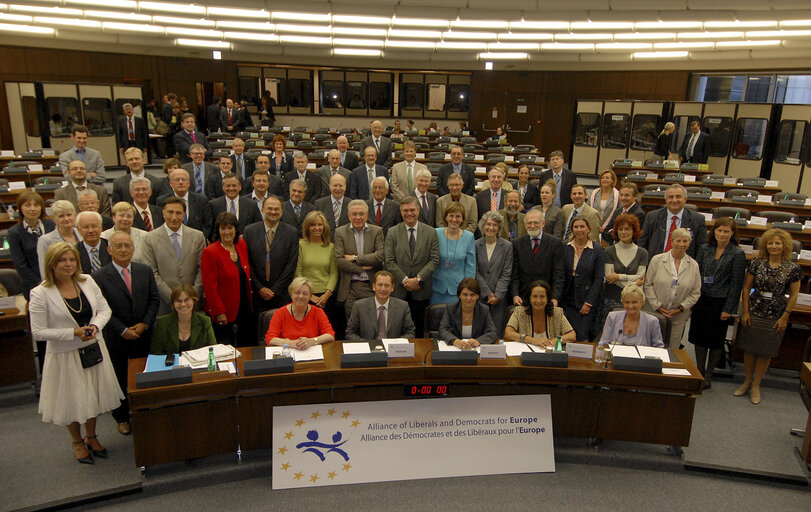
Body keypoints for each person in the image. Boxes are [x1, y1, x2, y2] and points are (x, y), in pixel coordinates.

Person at [29, 242, 123, 464]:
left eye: (71, 259)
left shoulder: (87, 281)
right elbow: (37, 332)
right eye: (62, 260)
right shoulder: (40, 293)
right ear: (52, 264)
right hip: (65, 355)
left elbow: (104, 309)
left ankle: (91, 436)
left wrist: (95, 327)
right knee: (72, 401)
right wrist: (73, 332)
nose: (68, 264)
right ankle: (77, 442)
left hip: (93, 348)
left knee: (92, 396)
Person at [92, 231, 159, 436]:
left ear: (133, 248)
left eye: (127, 246)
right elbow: (100, 309)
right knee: (120, 378)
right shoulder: (98, 277)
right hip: (117, 337)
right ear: (109, 250)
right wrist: (122, 330)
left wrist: (144, 324)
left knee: (145, 376)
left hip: (143, 335)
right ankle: (122, 417)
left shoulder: (145, 271)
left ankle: (145, 412)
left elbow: (154, 300)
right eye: (118, 246)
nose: (123, 250)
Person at [736, 228, 801, 405]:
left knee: (766, 351)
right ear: (766, 245)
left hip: (776, 315)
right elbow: (747, 288)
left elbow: (794, 294)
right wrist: (746, 311)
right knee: (749, 348)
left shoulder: (792, 268)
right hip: (755, 311)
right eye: (771, 243)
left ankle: (756, 385)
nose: (774, 246)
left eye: (778, 243)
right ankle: (747, 381)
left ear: (784, 246)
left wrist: (785, 316)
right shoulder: (757, 263)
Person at [688, 217, 747, 388]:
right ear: (714, 231)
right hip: (702, 298)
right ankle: (699, 370)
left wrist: (729, 308)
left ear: (732, 233)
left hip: (721, 303)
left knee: (715, 339)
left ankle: (708, 374)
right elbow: (696, 272)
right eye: (719, 230)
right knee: (699, 337)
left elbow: (736, 284)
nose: (722, 234)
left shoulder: (737, 254)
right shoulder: (705, 249)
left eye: (726, 231)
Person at [384, 196, 440, 337]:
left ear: (418, 210)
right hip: (398, 291)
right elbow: (389, 261)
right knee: (397, 329)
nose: (409, 213)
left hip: (421, 291)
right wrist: (405, 280)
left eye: (412, 210)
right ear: (401, 212)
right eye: (405, 210)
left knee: (419, 330)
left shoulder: (431, 232)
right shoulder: (392, 232)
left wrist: (418, 279)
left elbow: (434, 260)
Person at [142, 197, 206, 313]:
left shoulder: (198, 236)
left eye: (178, 213)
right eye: (170, 212)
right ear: (163, 213)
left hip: (193, 303)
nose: (174, 217)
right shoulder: (150, 238)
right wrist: (173, 297)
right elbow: (152, 272)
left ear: (184, 214)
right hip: (164, 304)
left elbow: (202, 268)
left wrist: (192, 295)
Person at [644, 227, 702, 349]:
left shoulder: (694, 265)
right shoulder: (657, 260)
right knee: (651, 345)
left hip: (678, 315)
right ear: (671, 241)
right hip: (654, 312)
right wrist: (658, 306)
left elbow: (695, 293)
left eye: (685, 241)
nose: (681, 244)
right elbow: (648, 285)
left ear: (689, 243)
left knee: (673, 349)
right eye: (678, 241)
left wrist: (680, 308)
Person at [201, 212, 254, 345]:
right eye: (223, 228)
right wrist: (219, 312)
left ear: (236, 229)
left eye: (230, 228)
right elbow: (210, 288)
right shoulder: (211, 252)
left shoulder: (241, 245)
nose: (227, 232)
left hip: (244, 308)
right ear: (218, 230)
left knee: (245, 346)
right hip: (225, 312)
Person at [243, 195, 299, 313]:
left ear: (282, 211)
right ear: (262, 210)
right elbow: (246, 262)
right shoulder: (249, 231)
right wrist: (260, 288)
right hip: (256, 293)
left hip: (281, 294)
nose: (273, 212)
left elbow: (291, 264)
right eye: (269, 208)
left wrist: (276, 289)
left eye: (276, 209)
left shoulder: (291, 233)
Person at [334, 199, 385, 318]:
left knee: (372, 323)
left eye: (361, 214)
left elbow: (380, 256)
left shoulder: (377, 231)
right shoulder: (340, 232)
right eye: (354, 214)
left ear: (367, 215)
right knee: (353, 325)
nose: (358, 217)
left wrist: (355, 258)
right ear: (348, 215)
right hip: (350, 288)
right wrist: (361, 268)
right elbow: (339, 261)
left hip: (371, 286)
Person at [295, 211, 340, 333]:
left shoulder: (331, 247)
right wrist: (310, 296)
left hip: (327, 298)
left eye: (319, 224)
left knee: (326, 332)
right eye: (313, 225)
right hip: (304, 296)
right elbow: (298, 272)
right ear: (307, 227)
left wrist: (326, 294)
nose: (316, 228)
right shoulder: (300, 245)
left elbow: (334, 273)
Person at [562, 216, 604, 341]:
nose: (579, 230)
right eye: (576, 227)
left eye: (582, 226)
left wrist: (589, 302)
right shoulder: (565, 246)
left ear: (589, 229)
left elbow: (598, 279)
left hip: (586, 300)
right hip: (567, 298)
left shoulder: (597, 249)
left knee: (581, 337)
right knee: (565, 335)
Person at [511, 208, 565, 306]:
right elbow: (514, 273)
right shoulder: (517, 244)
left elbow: (559, 274)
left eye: (536, 223)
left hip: (547, 298)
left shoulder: (555, 243)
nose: (532, 226)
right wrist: (515, 294)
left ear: (543, 223)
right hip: (523, 298)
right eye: (529, 223)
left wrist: (555, 297)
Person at [638, 183, 706, 259]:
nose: (674, 200)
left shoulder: (697, 219)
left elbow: (701, 249)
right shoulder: (652, 217)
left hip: (684, 265)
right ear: (666, 199)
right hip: (657, 264)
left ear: (685, 199)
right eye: (670, 197)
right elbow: (642, 244)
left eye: (678, 197)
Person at [601, 214, 648, 323]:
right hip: (611, 299)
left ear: (634, 231)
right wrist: (635, 284)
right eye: (620, 229)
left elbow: (640, 276)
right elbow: (609, 277)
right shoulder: (609, 251)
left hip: (633, 302)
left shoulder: (642, 253)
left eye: (627, 229)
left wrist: (619, 276)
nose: (623, 232)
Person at [345, 270, 416, 341]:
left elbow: (410, 332)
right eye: (380, 285)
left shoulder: (403, 306)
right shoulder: (359, 306)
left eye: (387, 285)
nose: (383, 289)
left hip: (392, 349)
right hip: (368, 349)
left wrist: (395, 343)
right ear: (373, 286)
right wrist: (367, 344)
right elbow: (350, 333)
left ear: (392, 288)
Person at [265, 277, 336, 348]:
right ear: (291, 294)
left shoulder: (318, 312)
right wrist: (291, 343)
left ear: (310, 296)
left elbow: (330, 335)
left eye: (305, 294)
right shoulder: (280, 313)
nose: (301, 296)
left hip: (311, 353)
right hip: (287, 353)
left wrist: (312, 341)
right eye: (297, 293)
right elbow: (270, 339)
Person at [9, 191, 55, 300]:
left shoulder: (51, 225)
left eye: (36, 205)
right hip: (33, 285)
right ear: (20, 208)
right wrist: (40, 282)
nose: (33, 209)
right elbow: (20, 265)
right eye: (27, 205)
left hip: (57, 280)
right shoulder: (14, 232)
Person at [504, 280, 575, 347]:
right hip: (526, 355)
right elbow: (508, 333)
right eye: (535, 296)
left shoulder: (557, 313)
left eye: (542, 297)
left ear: (547, 299)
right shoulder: (519, 312)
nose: (538, 300)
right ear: (529, 298)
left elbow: (572, 335)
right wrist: (533, 340)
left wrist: (554, 341)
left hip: (549, 356)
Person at [150, 284, 216, 355]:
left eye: (186, 300)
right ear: (173, 303)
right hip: (170, 365)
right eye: (178, 301)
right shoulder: (162, 322)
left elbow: (213, 350)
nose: (183, 304)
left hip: (198, 365)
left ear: (194, 301)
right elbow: (155, 353)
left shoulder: (205, 321)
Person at [475, 211, 513, 334]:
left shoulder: (507, 246)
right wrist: (487, 293)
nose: (491, 228)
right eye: (488, 224)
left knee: (497, 332)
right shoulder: (475, 244)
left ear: (499, 228)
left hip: (499, 299)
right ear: (482, 226)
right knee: (480, 331)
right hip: (480, 296)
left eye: (495, 225)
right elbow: (475, 271)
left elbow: (506, 273)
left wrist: (497, 294)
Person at [431, 203, 476, 305]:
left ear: (462, 219)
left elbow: (471, 266)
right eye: (451, 215)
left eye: (458, 216)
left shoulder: (469, 237)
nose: (454, 219)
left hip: (458, 290)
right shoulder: (436, 233)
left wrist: (468, 289)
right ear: (446, 217)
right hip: (437, 288)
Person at [438, 278, 498, 348]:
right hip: (455, 349)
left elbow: (493, 332)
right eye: (465, 295)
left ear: (477, 296)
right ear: (459, 295)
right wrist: (455, 341)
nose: (468, 298)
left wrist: (478, 341)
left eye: (472, 295)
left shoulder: (484, 310)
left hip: (475, 350)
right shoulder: (451, 309)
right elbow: (443, 330)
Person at [600, 284, 664, 347]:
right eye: (627, 302)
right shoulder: (612, 317)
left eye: (634, 302)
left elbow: (659, 348)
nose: (630, 306)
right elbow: (603, 344)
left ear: (642, 302)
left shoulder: (652, 321)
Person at [156, 168, 213, 237]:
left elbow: (207, 224)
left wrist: (199, 239)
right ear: (171, 184)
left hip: (196, 241)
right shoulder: (162, 201)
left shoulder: (201, 200)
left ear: (188, 183)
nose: (180, 182)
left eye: (183, 179)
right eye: (177, 180)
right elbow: (160, 223)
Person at [208, 173, 262, 237]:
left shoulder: (251, 204)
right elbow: (211, 229)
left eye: (234, 186)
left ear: (240, 187)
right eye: (228, 186)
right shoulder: (214, 205)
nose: (231, 188)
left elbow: (258, 227)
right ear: (223, 187)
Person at [38, 200, 81, 277]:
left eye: (69, 215)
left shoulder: (82, 234)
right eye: (61, 216)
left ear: (75, 216)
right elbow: (45, 270)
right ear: (54, 219)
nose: (66, 219)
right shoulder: (46, 240)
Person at [313, 173, 350, 239]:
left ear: (345, 187)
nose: (338, 189)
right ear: (329, 186)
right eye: (335, 185)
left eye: (341, 185)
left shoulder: (351, 204)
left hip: (346, 243)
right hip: (325, 242)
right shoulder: (319, 204)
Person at [588, 169, 620, 235]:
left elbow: (619, 213)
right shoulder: (594, 194)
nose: (604, 179)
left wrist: (606, 227)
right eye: (602, 178)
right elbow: (588, 210)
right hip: (593, 228)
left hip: (609, 230)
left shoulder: (618, 195)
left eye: (607, 178)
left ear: (612, 180)